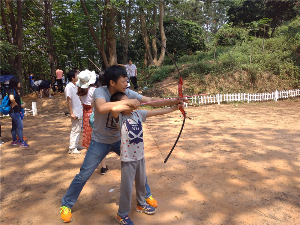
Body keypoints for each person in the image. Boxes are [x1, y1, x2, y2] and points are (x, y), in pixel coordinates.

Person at [60, 65, 186, 223]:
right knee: (84, 174)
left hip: (120, 139)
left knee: (138, 167)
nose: (127, 83)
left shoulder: (127, 93)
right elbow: (101, 107)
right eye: (124, 81)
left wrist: (176, 101)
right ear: (112, 82)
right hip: (100, 140)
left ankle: (145, 196)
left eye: (127, 80)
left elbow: (151, 101)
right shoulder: (101, 92)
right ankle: (66, 204)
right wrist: (128, 104)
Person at [111, 92, 183, 225]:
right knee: (127, 187)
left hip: (140, 156)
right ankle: (122, 214)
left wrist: (174, 108)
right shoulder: (119, 116)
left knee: (141, 182)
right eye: (126, 102)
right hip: (128, 158)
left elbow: (158, 112)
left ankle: (141, 204)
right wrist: (127, 103)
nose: (131, 103)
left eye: (130, 100)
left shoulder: (138, 114)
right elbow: (114, 108)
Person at [76, 69, 109, 175]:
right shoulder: (94, 90)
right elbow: (95, 105)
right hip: (95, 116)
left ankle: (89, 165)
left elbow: (85, 104)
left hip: (86, 117)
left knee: (90, 141)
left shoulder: (80, 91)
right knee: (100, 141)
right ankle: (103, 166)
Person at [65, 70, 85, 154]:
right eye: (77, 75)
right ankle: (72, 148)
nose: (78, 77)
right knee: (75, 129)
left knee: (78, 129)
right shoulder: (68, 87)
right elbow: (68, 101)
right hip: (75, 112)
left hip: (79, 110)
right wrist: (71, 113)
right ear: (72, 78)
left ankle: (76, 145)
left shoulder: (75, 86)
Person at [8, 77, 29, 147]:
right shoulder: (11, 91)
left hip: (15, 111)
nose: (20, 83)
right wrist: (14, 103)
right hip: (14, 112)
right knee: (20, 126)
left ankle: (15, 141)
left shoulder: (14, 91)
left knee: (14, 127)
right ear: (15, 83)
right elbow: (11, 98)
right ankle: (21, 142)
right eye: (18, 82)